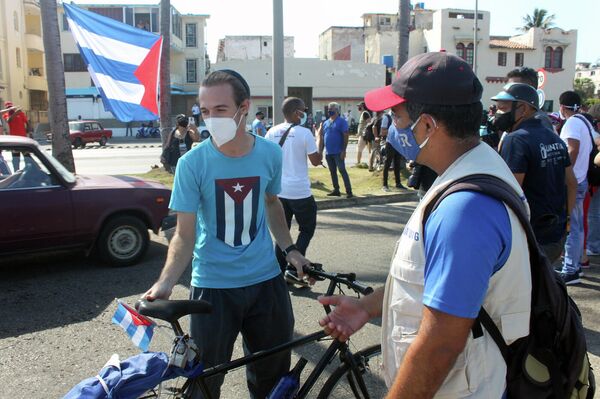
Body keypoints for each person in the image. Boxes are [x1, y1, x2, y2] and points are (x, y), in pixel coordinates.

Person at [318, 52, 532, 398]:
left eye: (397, 115)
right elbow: (436, 284)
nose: (391, 124)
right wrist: (367, 306)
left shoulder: (465, 209)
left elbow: (441, 343)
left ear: (429, 125)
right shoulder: (469, 171)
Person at [144, 69, 310, 399]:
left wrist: (290, 248)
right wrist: (165, 281)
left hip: (267, 283)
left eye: (219, 109)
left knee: (272, 379)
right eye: (204, 111)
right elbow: (184, 234)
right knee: (204, 382)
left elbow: (272, 204)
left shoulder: (270, 154)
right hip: (213, 289)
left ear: (243, 107)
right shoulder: (193, 163)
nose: (210, 118)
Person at [492, 83, 576, 264]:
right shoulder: (553, 137)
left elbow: (511, 191)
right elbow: (571, 182)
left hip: (529, 237)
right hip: (555, 235)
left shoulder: (517, 140)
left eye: (503, 108)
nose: (498, 114)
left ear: (522, 108)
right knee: (544, 286)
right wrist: (566, 222)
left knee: (525, 290)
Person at [265, 97, 322, 278]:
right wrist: (319, 138)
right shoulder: (305, 133)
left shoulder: (271, 132)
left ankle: (278, 270)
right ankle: (294, 266)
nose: (306, 113)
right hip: (300, 192)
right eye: (304, 110)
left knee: (282, 232)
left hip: (278, 192)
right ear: (297, 113)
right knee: (307, 229)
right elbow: (316, 161)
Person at [557, 91, 594, 284]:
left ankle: (570, 269)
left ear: (562, 107)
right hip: (582, 179)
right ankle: (576, 266)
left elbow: (573, 149)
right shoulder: (584, 122)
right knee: (577, 226)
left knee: (570, 226)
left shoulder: (571, 123)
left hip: (574, 182)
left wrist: (565, 172)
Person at [318, 102, 353, 198]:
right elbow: (322, 137)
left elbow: (346, 135)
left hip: (338, 152)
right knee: (332, 171)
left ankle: (349, 191)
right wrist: (320, 151)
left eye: (332, 109)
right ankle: (336, 190)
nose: (329, 110)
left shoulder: (342, 122)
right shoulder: (325, 123)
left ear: (337, 110)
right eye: (328, 109)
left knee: (342, 170)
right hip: (328, 153)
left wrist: (343, 150)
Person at [1, 101, 29, 171]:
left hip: (23, 139)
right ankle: (17, 173)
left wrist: (30, 131)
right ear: (6, 108)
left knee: (27, 158)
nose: (10, 109)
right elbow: (8, 120)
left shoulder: (20, 113)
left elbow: (27, 122)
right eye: (8, 107)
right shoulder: (6, 115)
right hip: (14, 140)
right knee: (16, 158)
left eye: (11, 107)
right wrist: (16, 113)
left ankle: (30, 172)